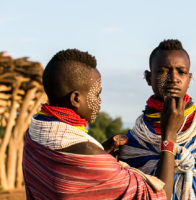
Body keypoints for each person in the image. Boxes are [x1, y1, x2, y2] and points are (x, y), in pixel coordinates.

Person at [22, 49, 183, 200]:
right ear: (76, 99)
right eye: (96, 94)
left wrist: (101, 152)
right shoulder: (86, 153)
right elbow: (160, 196)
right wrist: (168, 136)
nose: (100, 101)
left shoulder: (34, 134)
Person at [119, 40, 196, 200]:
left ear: (189, 78)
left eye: (181, 72)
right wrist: (169, 137)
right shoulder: (133, 143)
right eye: (163, 71)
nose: (173, 78)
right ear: (148, 77)